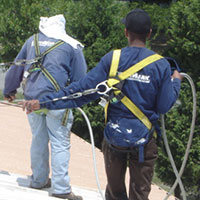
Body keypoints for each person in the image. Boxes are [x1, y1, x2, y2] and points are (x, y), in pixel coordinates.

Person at [20, 9, 183, 200]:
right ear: (149, 33)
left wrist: (43, 102)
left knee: (114, 194)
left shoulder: (113, 59)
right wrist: (176, 81)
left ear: (125, 32)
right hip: (144, 140)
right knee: (139, 194)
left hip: (114, 137)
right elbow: (164, 106)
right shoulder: (161, 65)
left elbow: (81, 91)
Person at [3, 14, 87, 200]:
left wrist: (9, 90)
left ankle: (39, 180)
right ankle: (61, 188)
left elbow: (16, 67)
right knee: (59, 143)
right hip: (58, 101)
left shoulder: (32, 41)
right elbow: (81, 81)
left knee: (38, 139)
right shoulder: (72, 46)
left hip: (32, 99)